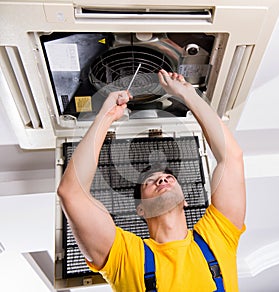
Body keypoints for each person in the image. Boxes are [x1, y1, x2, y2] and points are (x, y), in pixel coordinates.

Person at [57, 69, 246, 291]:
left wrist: (189, 95)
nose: (162, 180)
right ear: (140, 210)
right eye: (150, 181)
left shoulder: (217, 236)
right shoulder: (125, 257)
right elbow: (72, 193)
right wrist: (106, 116)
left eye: (168, 177)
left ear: (185, 200)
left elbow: (232, 158)